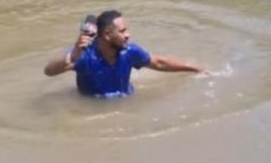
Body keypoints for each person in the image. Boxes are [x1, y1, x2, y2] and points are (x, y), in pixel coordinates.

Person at [43, 10, 203, 98]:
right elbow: (49, 71)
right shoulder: (83, 55)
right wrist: (73, 56)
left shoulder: (130, 52)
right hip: (92, 108)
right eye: (123, 31)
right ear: (106, 35)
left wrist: (194, 69)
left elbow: (159, 62)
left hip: (125, 101)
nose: (128, 35)